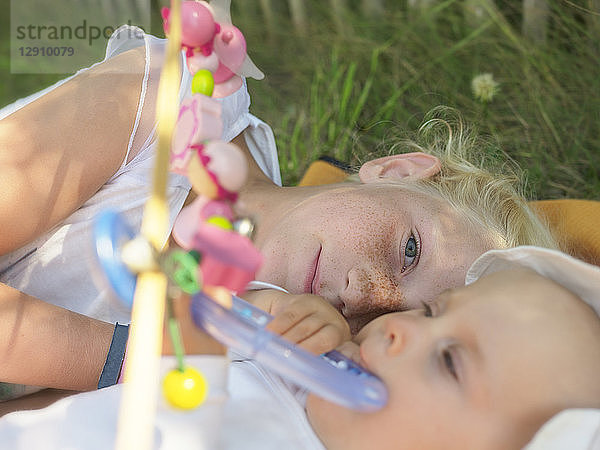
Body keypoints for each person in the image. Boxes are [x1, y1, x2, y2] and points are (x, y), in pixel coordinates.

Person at [0, 25, 557, 401]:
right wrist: (137, 359)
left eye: (385, 326)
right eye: (408, 251)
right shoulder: (169, 109)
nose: (363, 297)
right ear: (395, 171)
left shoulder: (262, 362)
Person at [0, 245, 598, 450]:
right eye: (431, 311)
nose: (402, 328)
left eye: (448, 361)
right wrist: (279, 314)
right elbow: (197, 348)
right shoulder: (293, 369)